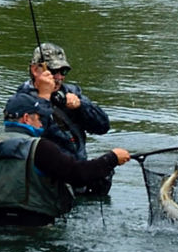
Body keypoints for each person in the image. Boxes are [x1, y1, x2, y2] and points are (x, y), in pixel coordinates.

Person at [0, 92, 130, 227]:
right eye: (39, 118)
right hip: (36, 230)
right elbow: (78, 175)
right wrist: (112, 159)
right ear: (26, 118)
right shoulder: (41, 147)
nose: (42, 123)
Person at [16, 42, 113, 197]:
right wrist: (44, 98)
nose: (59, 77)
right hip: (46, 182)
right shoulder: (22, 101)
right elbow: (29, 136)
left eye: (64, 71)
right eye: (54, 71)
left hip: (78, 176)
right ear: (35, 70)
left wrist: (81, 106)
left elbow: (103, 126)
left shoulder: (71, 92)